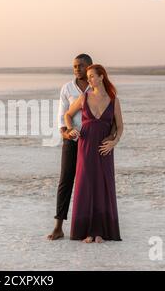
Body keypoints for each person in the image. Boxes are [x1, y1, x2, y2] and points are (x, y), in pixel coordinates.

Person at [47, 55, 116, 240]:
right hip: (72, 140)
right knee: (66, 180)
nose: (76, 69)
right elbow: (63, 117)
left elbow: (111, 117)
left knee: (93, 183)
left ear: (89, 68)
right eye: (74, 66)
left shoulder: (98, 87)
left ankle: (95, 225)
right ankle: (58, 225)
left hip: (94, 141)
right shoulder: (67, 88)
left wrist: (111, 137)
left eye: (80, 66)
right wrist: (68, 132)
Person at [64, 64, 123, 243]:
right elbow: (68, 114)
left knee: (103, 186)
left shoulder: (113, 100)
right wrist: (71, 129)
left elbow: (120, 126)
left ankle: (101, 231)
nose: (88, 79)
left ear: (101, 77)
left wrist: (114, 142)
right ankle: (87, 231)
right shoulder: (84, 97)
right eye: (88, 76)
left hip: (105, 148)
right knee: (86, 184)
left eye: (91, 76)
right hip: (86, 145)